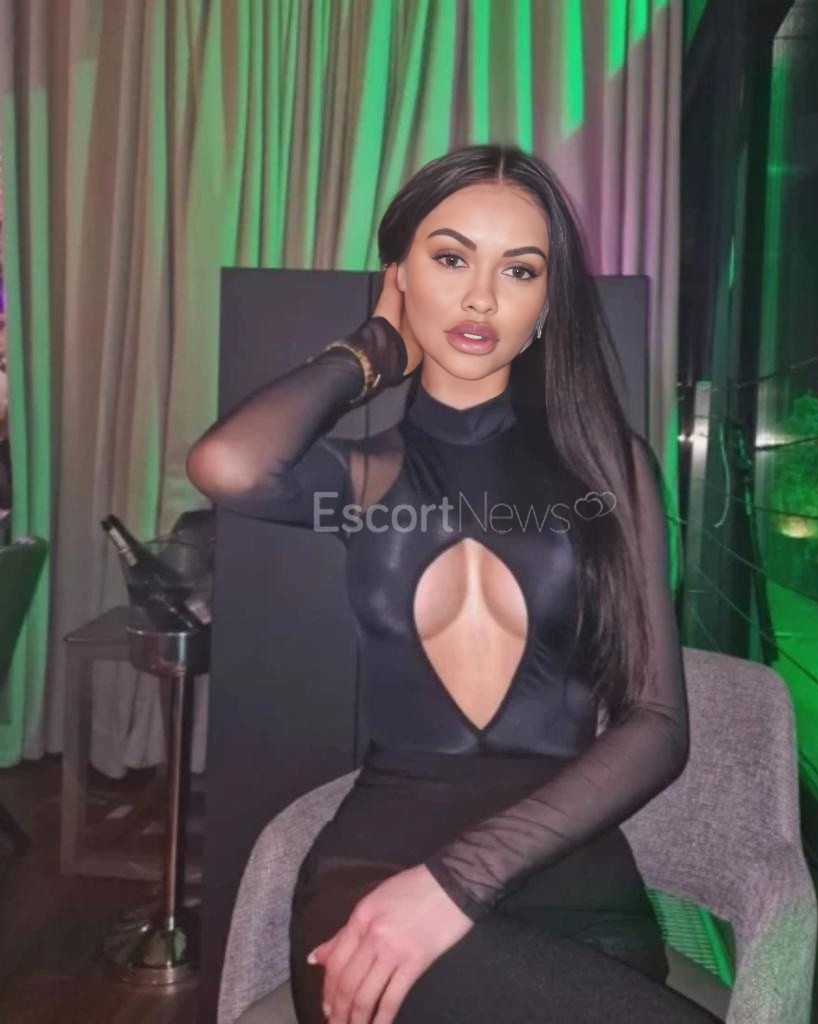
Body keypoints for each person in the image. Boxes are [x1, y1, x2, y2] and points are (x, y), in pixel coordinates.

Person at [186, 145, 719, 1024]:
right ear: (399, 274)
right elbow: (229, 465)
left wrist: (456, 881)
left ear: (546, 305)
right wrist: (372, 347)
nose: (479, 298)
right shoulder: (366, 478)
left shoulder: (608, 469)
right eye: (449, 258)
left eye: (518, 270)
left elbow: (658, 726)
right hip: (375, 872)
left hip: (569, 876)